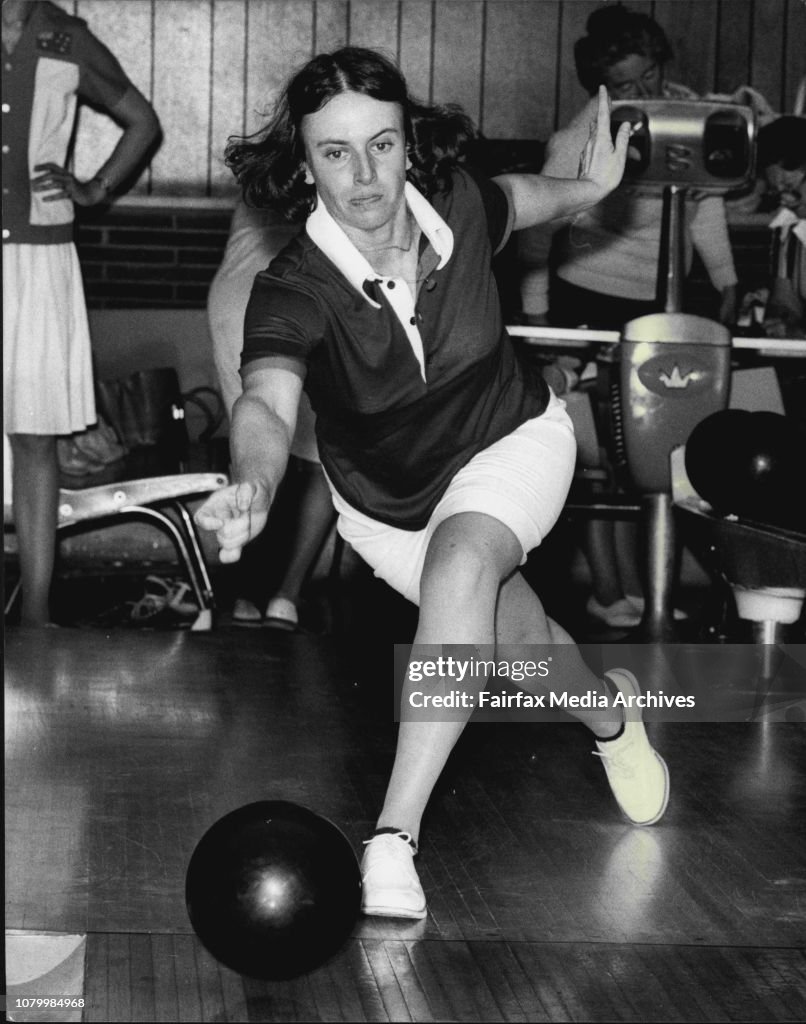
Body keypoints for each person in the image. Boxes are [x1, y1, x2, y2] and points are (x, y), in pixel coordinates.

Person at [195, 46, 669, 921]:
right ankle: (612, 717)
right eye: (335, 152)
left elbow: (524, 196)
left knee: (462, 570)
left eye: (382, 143)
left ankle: (392, 839)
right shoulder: (292, 289)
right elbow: (265, 400)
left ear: (410, 144)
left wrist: (594, 188)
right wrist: (254, 484)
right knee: (522, 650)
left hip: (511, 439)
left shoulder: (455, 203)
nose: (365, 173)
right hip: (385, 506)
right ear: (304, 164)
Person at [518, 2, 739, 629]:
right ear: (602, 88)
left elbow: (706, 210)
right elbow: (537, 236)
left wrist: (725, 286)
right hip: (585, 300)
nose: (644, 95)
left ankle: (651, 592)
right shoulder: (577, 138)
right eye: (627, 87)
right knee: (593, 454)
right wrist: (541, 327)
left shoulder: (695, 117)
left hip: (664, 303)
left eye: (650, 78)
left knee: (656, 453)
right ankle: (609, 591)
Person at [2, 0, 160, 626]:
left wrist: (94, 188)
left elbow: (142, 122)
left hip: (40, 259)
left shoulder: (67, 38)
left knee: (33, 438)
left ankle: (36, 615)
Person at [207, 199, 336, 628]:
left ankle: (243, 593)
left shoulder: (267, 154)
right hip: (308, 287)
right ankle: (286, 596)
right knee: (324, 458)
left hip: (238, 291)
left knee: (254, 433)